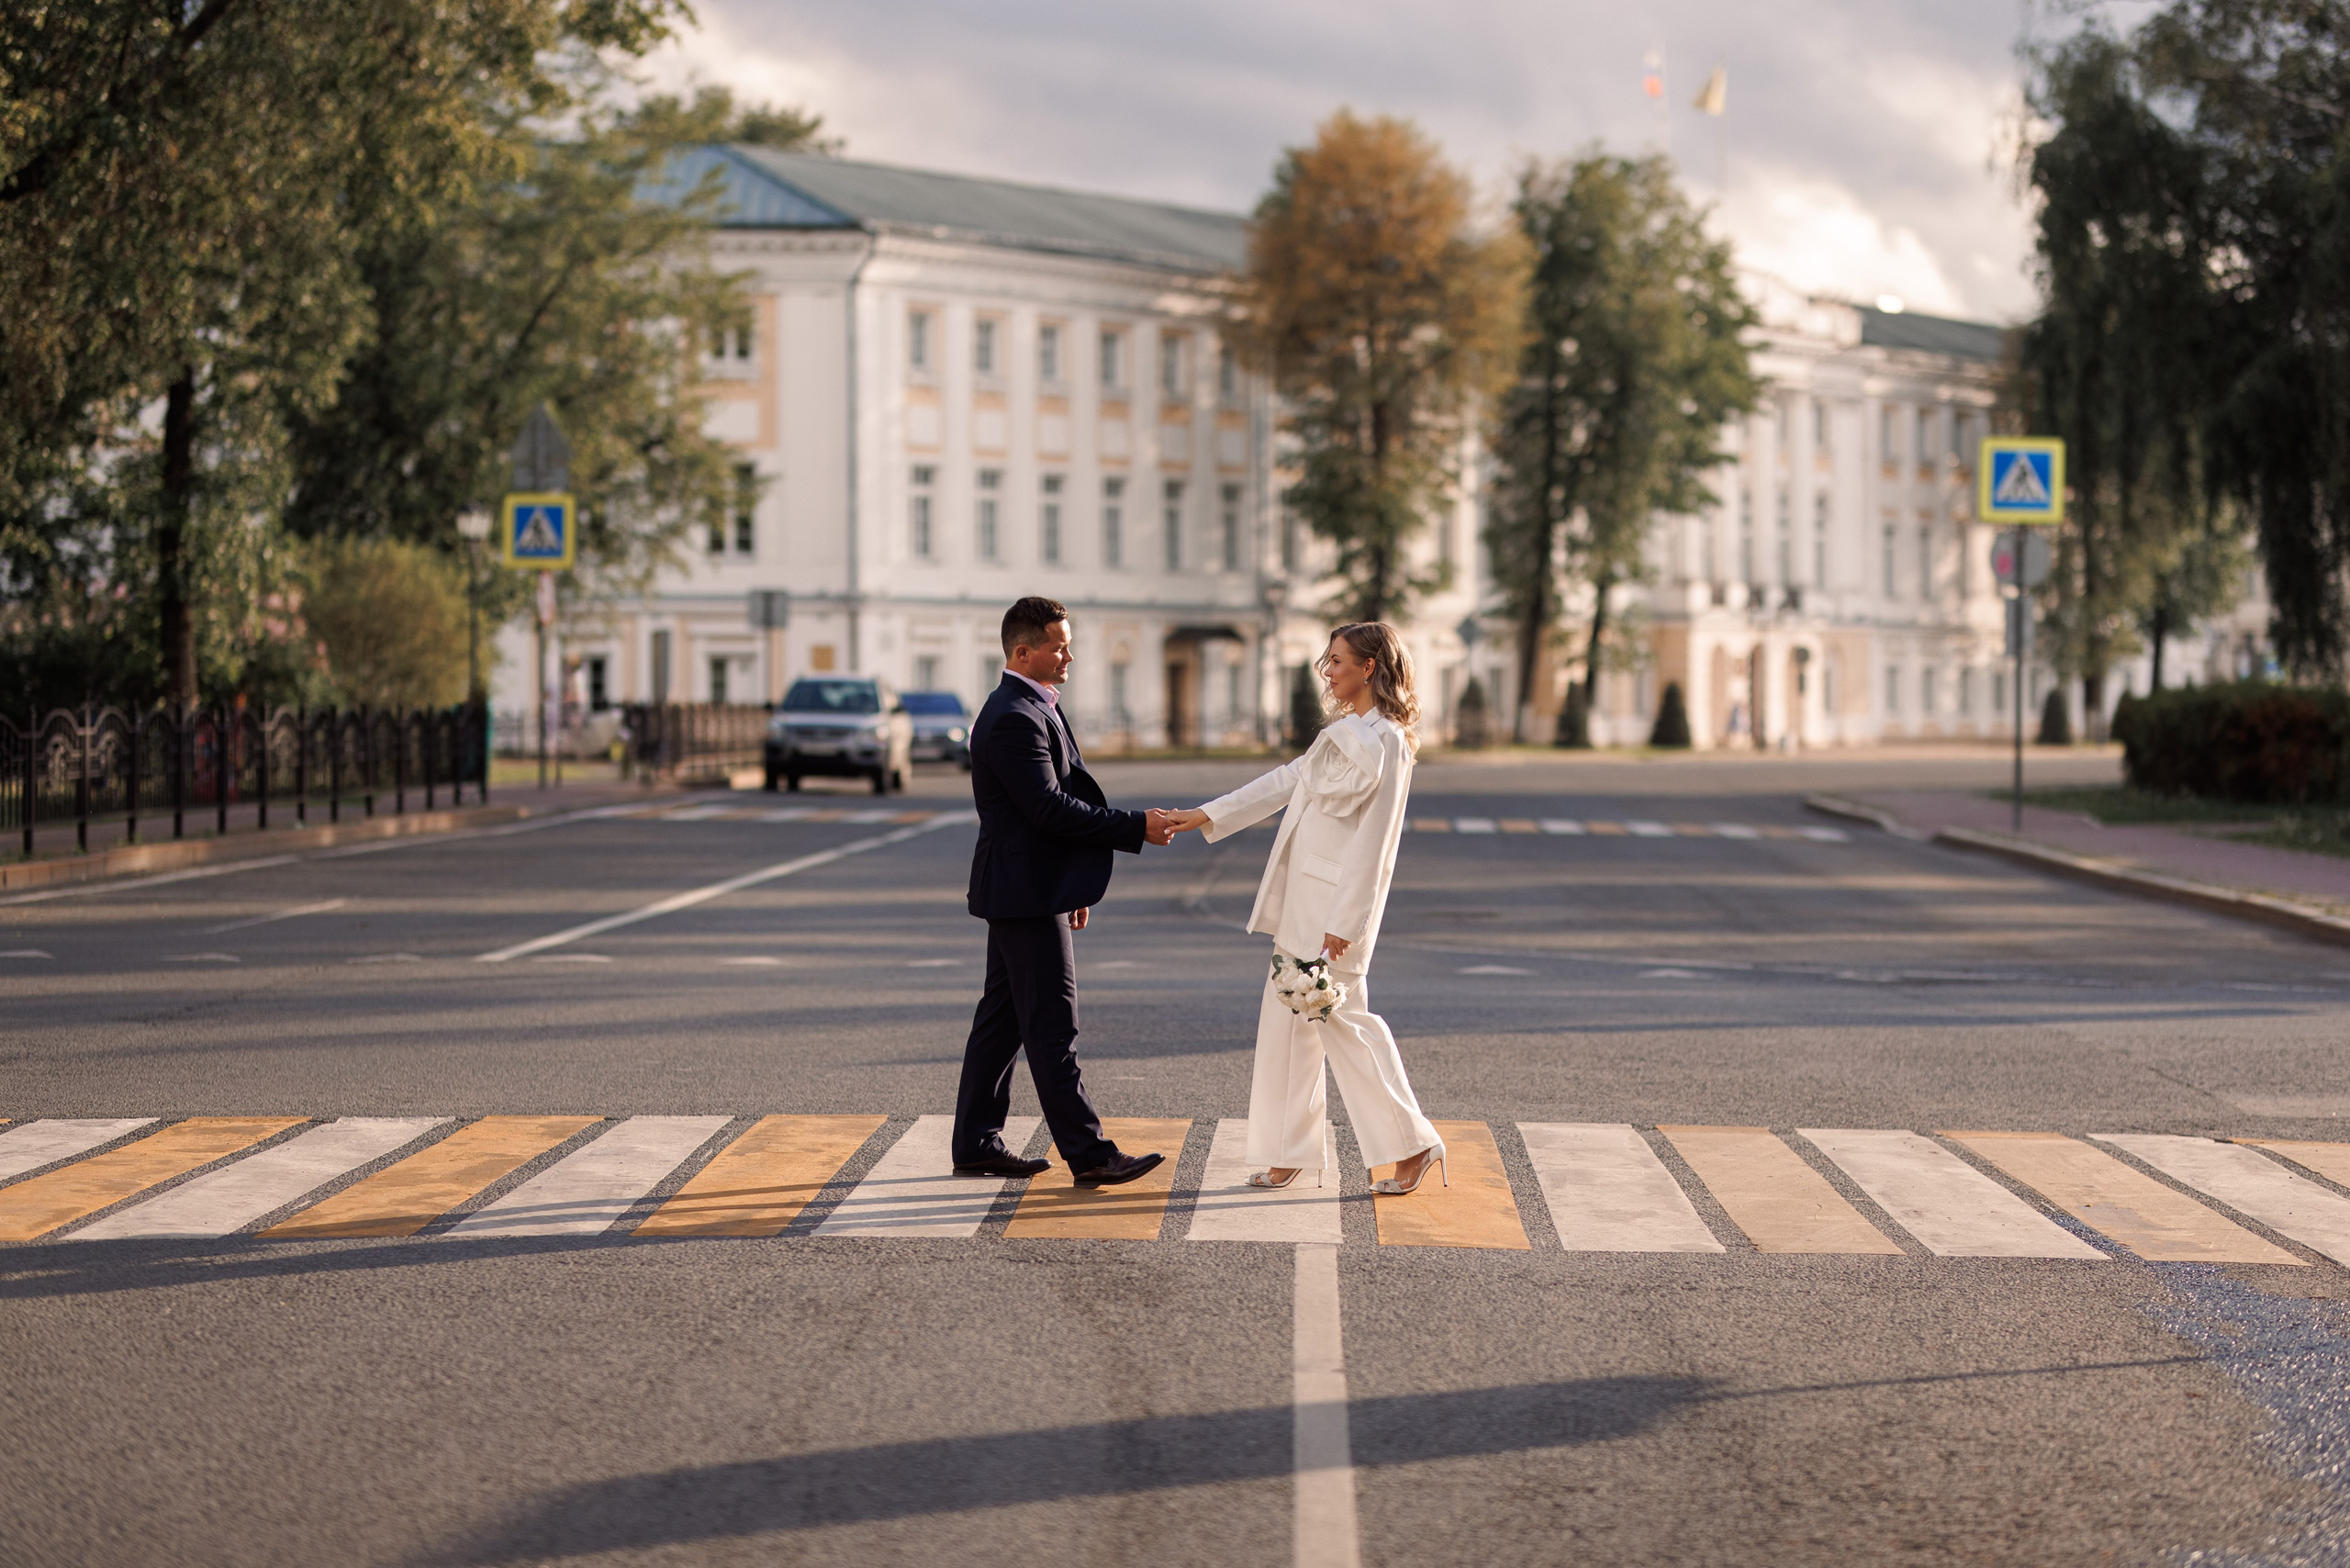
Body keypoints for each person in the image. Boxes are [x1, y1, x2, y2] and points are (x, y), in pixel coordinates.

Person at [1162, 622, 1445, 1195]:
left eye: (1338, 660)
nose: (1328, 670)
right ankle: (1288, 1151)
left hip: (1336, 917)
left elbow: (1378, 842)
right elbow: (1285, 781)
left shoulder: (1388, 741)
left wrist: (1346, 924)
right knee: (1288, 1029)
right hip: (1302, 904)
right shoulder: (1340, 732)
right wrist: (1206, 815)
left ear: (1369, 668)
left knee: (1345, 1026)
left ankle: (1412, 1143)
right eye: (1328, 659)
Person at [953, 596, 1178, 1187]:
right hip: (1023, 892)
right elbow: (1048, 809)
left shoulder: (1033, 704)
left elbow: (1053, 806)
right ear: (1023, 652)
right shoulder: (1012, 716)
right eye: (1058, 644)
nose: (1069, 654)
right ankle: (1092, 1155)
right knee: (1053, 1026)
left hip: (1032, 887)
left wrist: (1071, 881)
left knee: (1002, 1022)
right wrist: (1137, 826)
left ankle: (975, 1141)